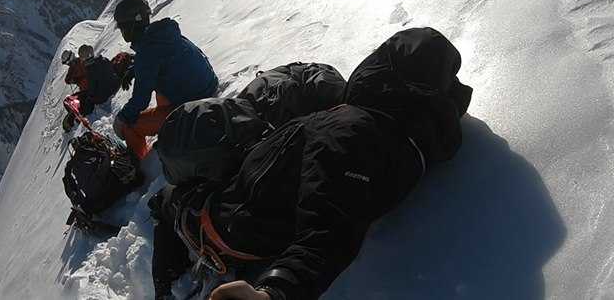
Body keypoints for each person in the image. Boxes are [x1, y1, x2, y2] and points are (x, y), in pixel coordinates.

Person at [149, 27, 472, 300]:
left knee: (165, 201)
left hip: (233, 222)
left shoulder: (352, 132)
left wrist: (273, 292)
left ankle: (164, 291)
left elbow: (329, 232)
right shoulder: (404, 136)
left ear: (387, 70)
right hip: (259, 193)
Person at [112, 0, 219, 159]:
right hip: (208, 88)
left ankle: (142, 165)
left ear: (131, 25)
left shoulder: (147, 51)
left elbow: (140, 100)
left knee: (129, 126)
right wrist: (135, 70)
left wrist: (121, 119)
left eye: (122, 27)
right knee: (160, 90)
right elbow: (165, 60)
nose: (122, 32)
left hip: (193, 108)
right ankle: (168, 130)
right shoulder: (163, 34)